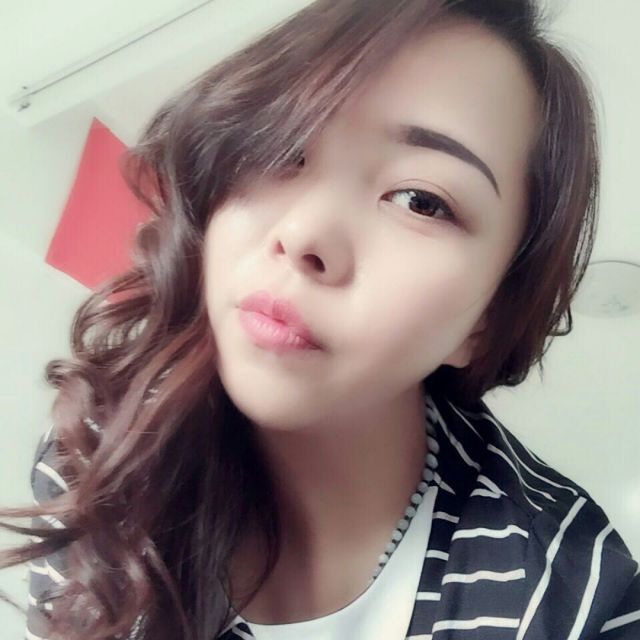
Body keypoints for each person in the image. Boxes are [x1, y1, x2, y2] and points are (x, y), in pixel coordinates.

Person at [0, 0, 637, 638]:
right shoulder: (100, 452)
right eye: (279, 146)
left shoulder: (581, 600)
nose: (302, 233)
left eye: (420, 200)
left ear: (489, 318)